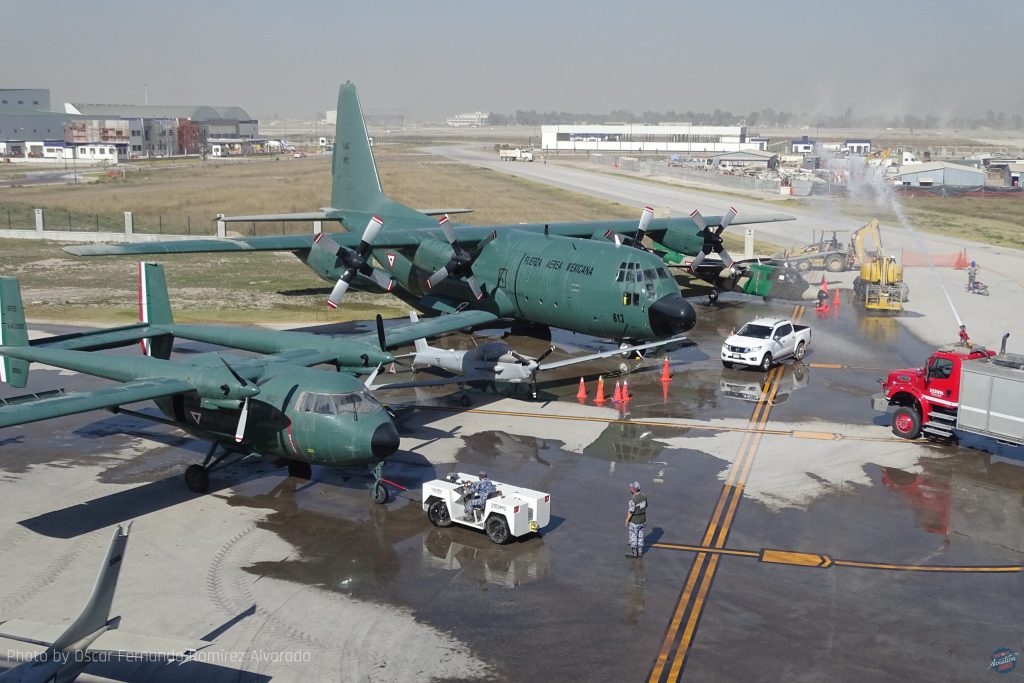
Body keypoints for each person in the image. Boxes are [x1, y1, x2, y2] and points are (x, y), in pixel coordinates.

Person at [624, 481, 647, 558]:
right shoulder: (644, 496)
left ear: (634, 489)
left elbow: (631, 512)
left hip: (635, 521)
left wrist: (627, 520)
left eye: (631, 487)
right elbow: (645, 506)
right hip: (643, 520)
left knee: (634, 536)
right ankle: (640, 552)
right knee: (640, 535)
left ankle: (634, 553)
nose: (630, 488)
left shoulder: (633, 500)